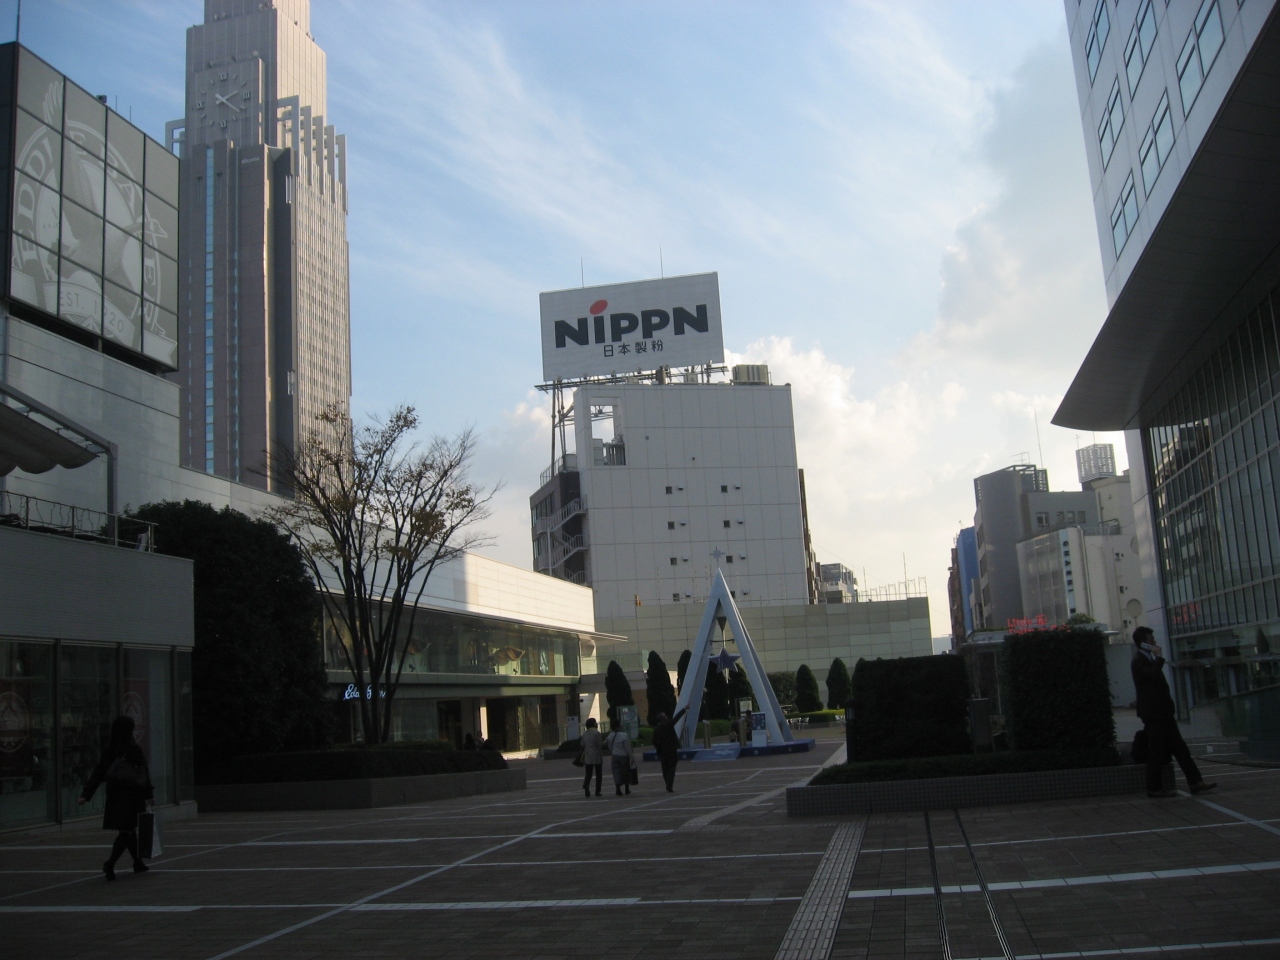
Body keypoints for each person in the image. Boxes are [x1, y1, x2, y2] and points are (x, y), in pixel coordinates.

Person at [1131, 626, 1217, 799]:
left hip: (1163, 712)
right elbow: (1152, 675)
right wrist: (1159, 657)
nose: (1154, 642)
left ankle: (1195, 781)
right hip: (1153, 713)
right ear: (1143, 643)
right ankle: (1154, 787)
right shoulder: (1139, 661)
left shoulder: (1148, 659)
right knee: (1155, 750)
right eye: (1150, 639)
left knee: (1180, 748)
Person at [79, 715, 154, 881]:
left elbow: (99, 772)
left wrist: (86, 794)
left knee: (127, 829)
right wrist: (149, 794)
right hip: (132, 794)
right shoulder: (133, 749)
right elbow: (143, 773)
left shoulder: (110, 749)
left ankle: (137, 862)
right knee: (127, 830)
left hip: (115, 794)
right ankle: (110, 863)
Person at [651, 707, 688, 793]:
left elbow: (653, 741)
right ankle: (669, 784)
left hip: (662, 752)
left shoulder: (656, 729)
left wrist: (659, 748)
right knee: (671, 768)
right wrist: (684, 710)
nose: (667, 717)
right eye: (665, 716)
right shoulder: (668, 724)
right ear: (663, 718)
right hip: (671, 750)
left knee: (665, 769)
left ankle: (667, 783)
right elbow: (676, 718)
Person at [606, 718, 634, 796]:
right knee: (625, 772)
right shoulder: (624, 735)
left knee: (616, 772)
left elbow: (610, 747)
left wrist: (613, 751)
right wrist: (631, 757)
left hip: (615, 756)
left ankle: (618, 789)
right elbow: (628, 747)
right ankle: (626, 789)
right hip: (624, 756)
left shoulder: (610, 735)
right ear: (619, 725)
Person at [580, 717, 603, 798]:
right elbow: (600, 744)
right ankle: (597, 791)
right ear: (593, 724)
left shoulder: (585, 733)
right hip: (596, 754)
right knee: (598, 774)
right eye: (595, 722)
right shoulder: (597, 733)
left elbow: (582, 744)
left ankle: (586, 787)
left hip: (588, 755)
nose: (596, 724)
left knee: (588, 773)